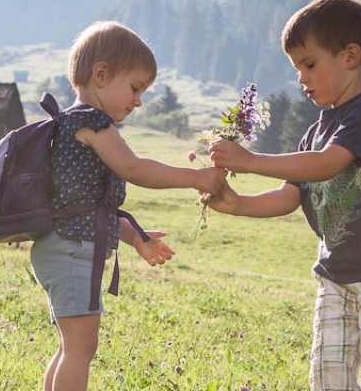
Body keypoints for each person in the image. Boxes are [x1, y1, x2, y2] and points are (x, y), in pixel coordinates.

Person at [205, 0, 361, 390]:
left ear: (350, 56)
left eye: (309, 64)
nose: (301, 78)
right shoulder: (315, 131)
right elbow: (289, 196)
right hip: (335, 277)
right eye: (296, 68)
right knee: (328, 379)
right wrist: (236, 204)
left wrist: (250, 160)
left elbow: (330, 163)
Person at [32, 21, 226, 391]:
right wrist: (196, 178)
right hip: (71, 253)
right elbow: (134, 168)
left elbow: (87, 208)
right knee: (81, 347)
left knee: (70, 347)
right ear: (101, 74)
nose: (139, 101)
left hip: (60, 248)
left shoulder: (68, 124)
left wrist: (136, 238)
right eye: (135, 88)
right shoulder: (93, 121)